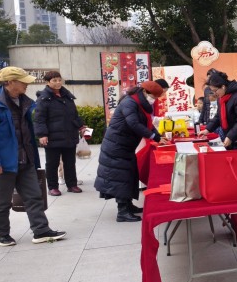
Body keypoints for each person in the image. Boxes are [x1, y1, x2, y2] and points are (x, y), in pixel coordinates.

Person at [0, 67, 67, 246]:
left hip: (25, 159)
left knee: (34, 196)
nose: (27, 84)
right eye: (23, 81)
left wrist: (33, 158)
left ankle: (41, 230)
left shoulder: (24, 101)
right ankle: (1, 233)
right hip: (3, 163)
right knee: (2, 201)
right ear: (10, 82)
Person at [94, 80, 165, 222]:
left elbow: (147, 124)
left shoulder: (140, 104)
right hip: (117, 145)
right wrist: (154, 137)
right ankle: (122, 211)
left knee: (130, 174)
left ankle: (128, 205)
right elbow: (134, 123)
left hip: (126, 145)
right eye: (154, 97)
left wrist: (158, 136)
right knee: (121, 176)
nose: (154, 100)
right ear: (145, 92)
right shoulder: (129, 102)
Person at [34, 71, 85, 196]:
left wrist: (81, 126)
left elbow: (74, 114)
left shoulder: (67, 96)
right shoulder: (43, 98)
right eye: (54, 80)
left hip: (69, 135)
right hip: (52, 137)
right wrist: (42, 135)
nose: (58, 83)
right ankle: (52, 187)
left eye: (59, 80)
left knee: (70, 162)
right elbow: (39, 119)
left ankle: (72, 185)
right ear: (47, 82)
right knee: (52, 164)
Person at [203, 70, 237, 149]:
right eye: (212, 91)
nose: (214, 94)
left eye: (215, 90)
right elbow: (218, 116)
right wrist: (207, 129)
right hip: (232, 137)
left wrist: (230, 136)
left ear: (223, 87)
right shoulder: (221, 98)